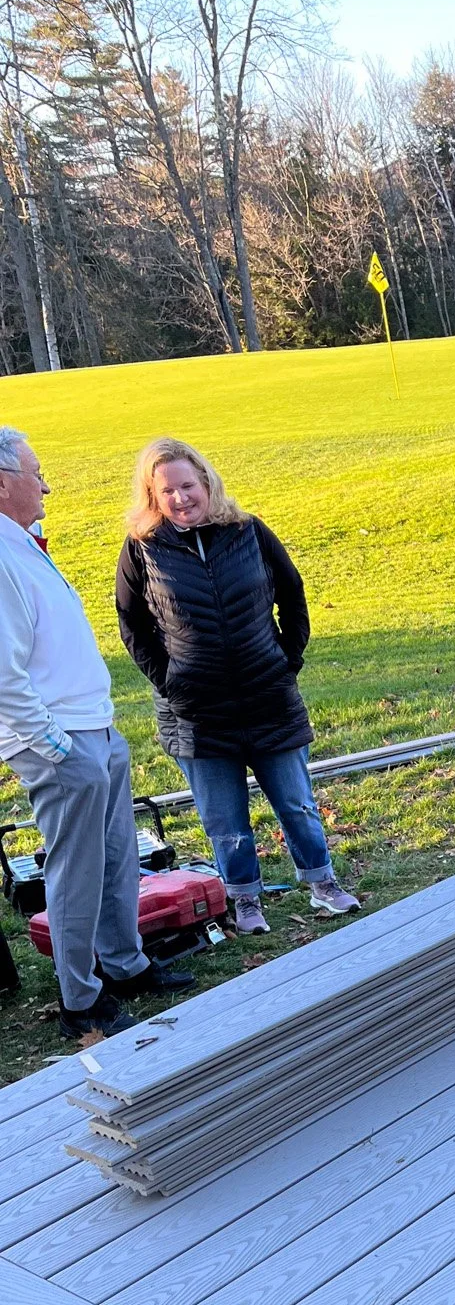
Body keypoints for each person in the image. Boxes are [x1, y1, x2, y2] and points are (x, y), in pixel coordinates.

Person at [115, 437, 360, 936]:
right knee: (225, 822)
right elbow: (131, 623)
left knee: (296, 804)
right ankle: (244, 899)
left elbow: (292, 593)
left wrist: (286, 661)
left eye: (188, 485)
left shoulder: (248, 531)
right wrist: (170, 682)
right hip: (197, 714)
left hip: (268, 699)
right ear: (152, 496)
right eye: (168, 491)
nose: (181, 498)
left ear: (206, 482)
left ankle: (323, 883)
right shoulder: (142, 549)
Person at [0, 427, 189, 1040]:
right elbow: (4, 674)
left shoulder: (22, 545)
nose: (46, 483)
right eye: (36, 472)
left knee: (116, 857)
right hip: (61, 741)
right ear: (4, 485)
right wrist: (54, 746)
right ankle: (81, 1000)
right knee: (76, 873)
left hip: (93, 730)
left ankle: (127, 965)